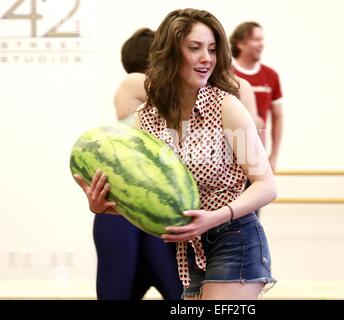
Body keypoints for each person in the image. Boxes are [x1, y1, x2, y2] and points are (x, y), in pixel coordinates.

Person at [74, 8, 277, 300]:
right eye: (194, 48)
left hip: (235, 239)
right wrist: (107, 207)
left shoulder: (226, 108)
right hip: (188, 250)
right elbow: (151, 196)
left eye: (211, 49)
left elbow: (266, 185)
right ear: (170, 54)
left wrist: (215, 216)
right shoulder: (147, 119)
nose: (206, 58)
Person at [92, 27, 183, 300]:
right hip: (121, 212)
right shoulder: (135, 82)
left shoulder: (166, 100)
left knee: (180, 294)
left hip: (152, 212)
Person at [230, 22, 283, 172]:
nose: (261, 45)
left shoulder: (271, 76)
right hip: (230, 154)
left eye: (262, 39)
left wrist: (274, 155)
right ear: (240, 43)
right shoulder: (226, 75)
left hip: (258, 152)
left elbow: (278, 116)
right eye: (256, 40)